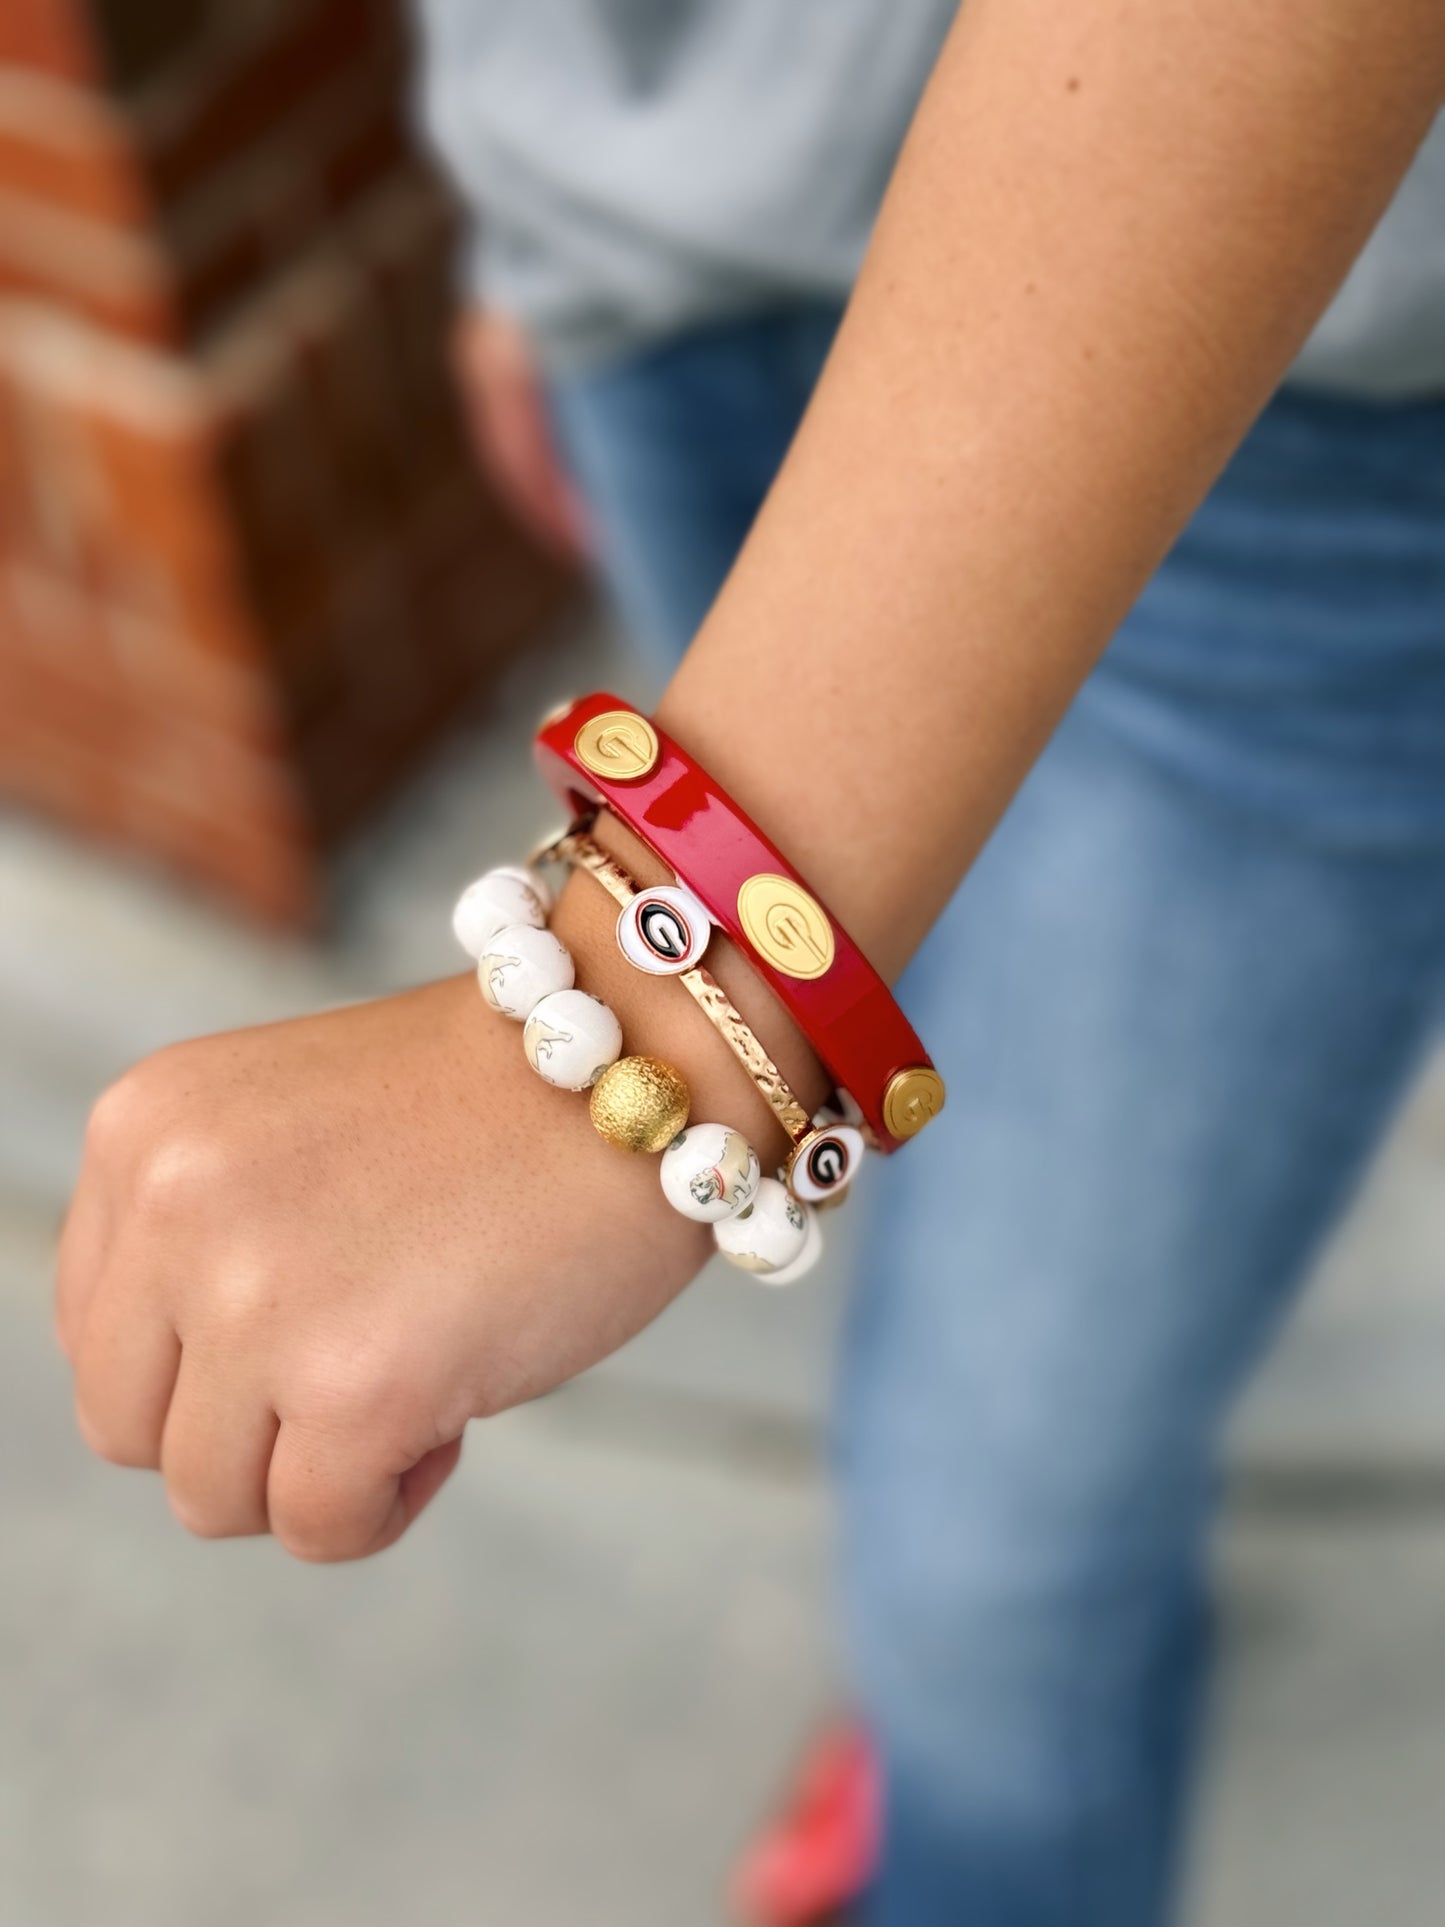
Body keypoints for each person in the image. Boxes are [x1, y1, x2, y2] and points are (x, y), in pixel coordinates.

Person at [56, 0, 1445, 1921]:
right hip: (658, 273)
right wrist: (555, 202)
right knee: (939, 1242)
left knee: (990, 1552)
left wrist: (627, 1030)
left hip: (1278, 346)